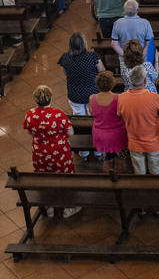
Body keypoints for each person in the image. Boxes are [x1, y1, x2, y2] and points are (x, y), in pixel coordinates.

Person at [22, 86, 79, 217]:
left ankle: (49, 206)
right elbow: (70, 132)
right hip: (59, 151)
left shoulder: (30, 114)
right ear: (50, 98)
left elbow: (29, 131)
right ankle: (68, 207)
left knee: (44, 177)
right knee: (66, 178)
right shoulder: (57, 114)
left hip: (40, 153)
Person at [117, 64, 159, 175]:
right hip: (154, 142)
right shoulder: (154, 97)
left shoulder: (122, 98)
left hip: (135, 141)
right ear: (145, 81)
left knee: (140, 173)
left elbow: (121, 117)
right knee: (156, 171)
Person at [58, 33, 104, 117]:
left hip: (75, 94)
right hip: (92, 92)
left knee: (79, 117)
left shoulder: (64, 57)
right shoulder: (92, 57)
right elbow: (102, 72)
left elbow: (65, 73)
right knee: (93, 117)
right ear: (83, 44)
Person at [89, 70, 128, 163]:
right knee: (121, 159)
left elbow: (92, 113)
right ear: (112, 84)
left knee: (107, 159)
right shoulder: (119, 98)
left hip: (101, 134)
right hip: (118, 134)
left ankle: (108, 173)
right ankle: (120, 173)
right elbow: (123, 115)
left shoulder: (92, 98)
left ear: (97, 84)